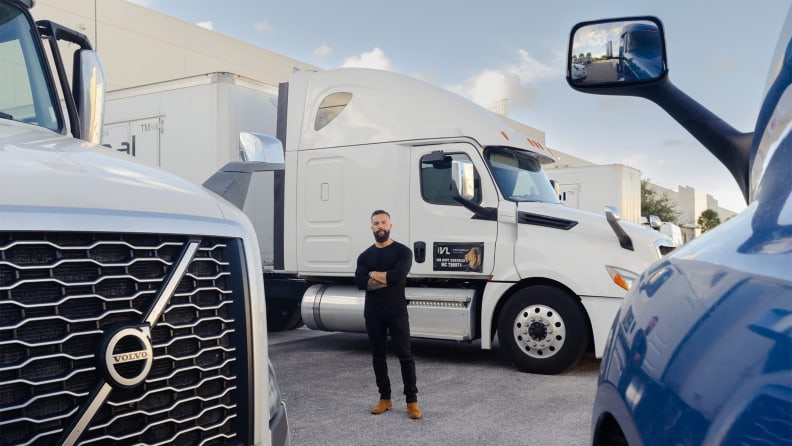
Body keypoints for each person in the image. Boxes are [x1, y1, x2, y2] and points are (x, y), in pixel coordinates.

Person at [355, 209, 422, 420]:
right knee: (378, 356)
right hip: (373, 314)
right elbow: (360, 283)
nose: (380, 226)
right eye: (376, 223)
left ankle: (412, 401)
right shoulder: (364, 256)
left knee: (405, 355)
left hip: (397, 313)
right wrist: (387, 277)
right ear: (371, 227)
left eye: (383, 222)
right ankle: (385, 398)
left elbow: (398, 276)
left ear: (390, 225)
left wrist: (374, 275)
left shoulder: (403, 252)